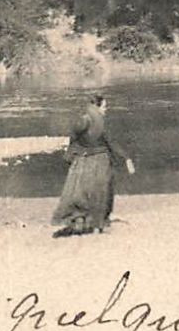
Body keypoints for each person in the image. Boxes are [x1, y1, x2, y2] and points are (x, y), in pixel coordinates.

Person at [51, 94, 134, 238]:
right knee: (101, 194)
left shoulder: (84, 119)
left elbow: (74, 138)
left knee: (79, 193)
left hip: (83, 160)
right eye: (104, 106)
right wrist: (126, 158)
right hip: (100, 160)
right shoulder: (99, 122)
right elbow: (111, 142)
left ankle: (79, 222)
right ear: (97, 106)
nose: (106, 110)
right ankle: (98, 226)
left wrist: (70, 155)